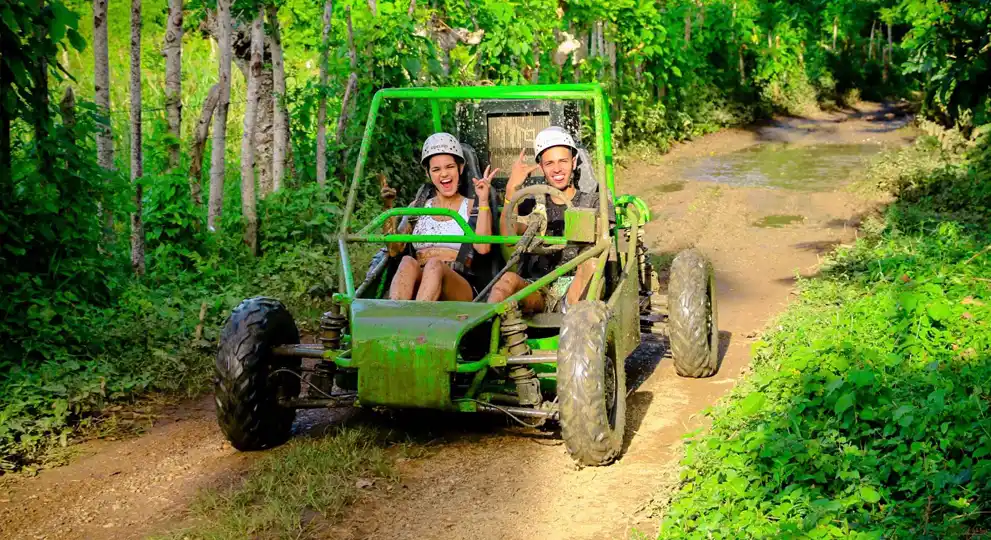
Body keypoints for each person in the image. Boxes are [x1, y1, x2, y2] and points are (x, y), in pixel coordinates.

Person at [487, 126, 607, 313]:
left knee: (591, 263)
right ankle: (484, 330)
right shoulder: (531, 204)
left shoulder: (593, 201)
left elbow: (603, 245)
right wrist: (512, 189)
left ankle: (570, 320)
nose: (557, 169)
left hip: (575, 288)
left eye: (563, 161)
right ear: (541, 167)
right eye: (549, 163)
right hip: (537, 287)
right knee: (506, 281)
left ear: (574, 162)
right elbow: (508, 236)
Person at [379, 132, 499, 301]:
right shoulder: (418, 208)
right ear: (428, 174)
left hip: (458, 283)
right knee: (406, 261)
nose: (444, 174)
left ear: (460, 168)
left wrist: (484, 198)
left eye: (449, 167)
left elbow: (483, 248)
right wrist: (388, 207)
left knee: (434, 265)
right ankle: (398, 319)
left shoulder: (473, 206)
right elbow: (394, 250)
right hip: (420, 280)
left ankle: (419, 322)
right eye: (436, 169)